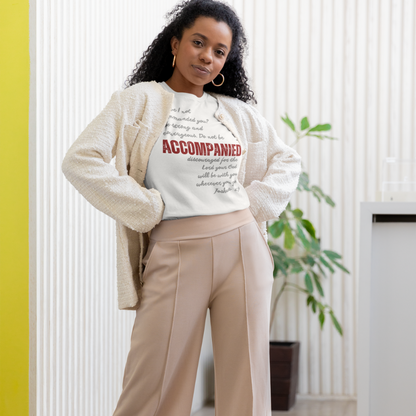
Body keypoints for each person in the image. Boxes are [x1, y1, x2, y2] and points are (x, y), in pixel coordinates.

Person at [61, 0, 302, 415]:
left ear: (227, 60)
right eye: (198, 42)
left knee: (247, 384)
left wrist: (256, 202)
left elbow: (288, 160)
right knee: (152, 385)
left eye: (219, 51)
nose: (207, 56)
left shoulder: (235, 113)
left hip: (243, 248)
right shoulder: (139, 101)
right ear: (175, 43)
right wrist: (144, 206)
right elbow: (81, 159)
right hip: (175, 249)